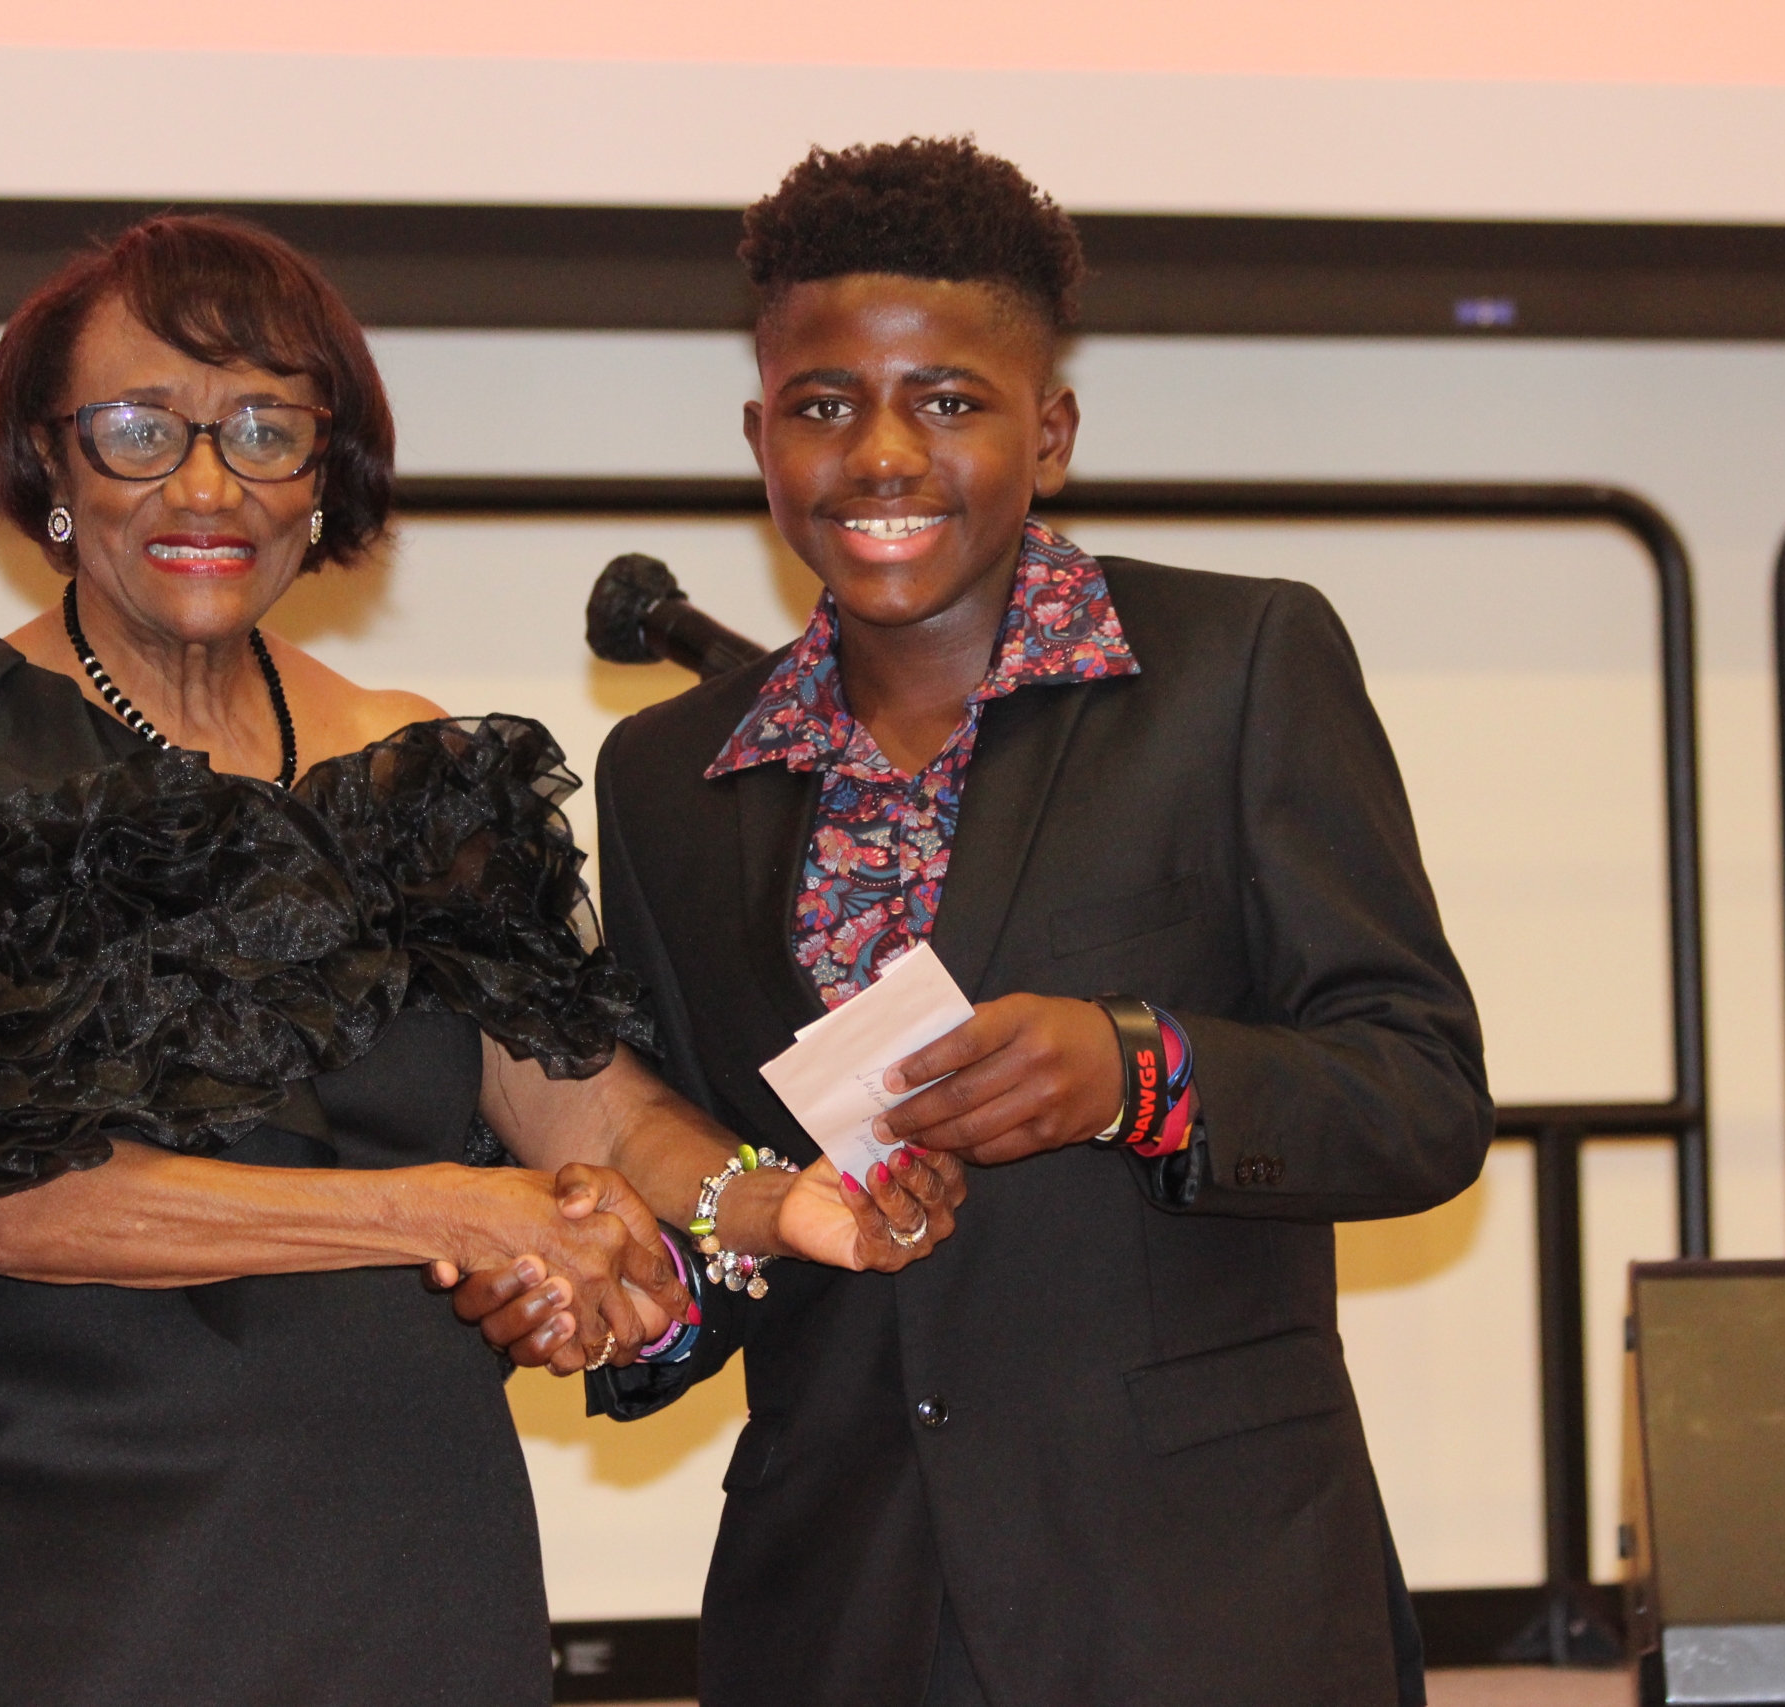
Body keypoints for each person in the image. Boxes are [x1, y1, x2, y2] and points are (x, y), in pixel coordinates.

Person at [0, 214, 964, 1707]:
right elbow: (15, 1204)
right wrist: (443, 1207)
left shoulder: (411, 764)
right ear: (50, 467)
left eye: (264, 430)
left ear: (322, 475)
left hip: (408, 1538)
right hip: (90, 1562)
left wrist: (794, 1209)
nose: (207, 484)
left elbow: (592, 1112)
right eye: (140, 429)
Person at [472, 140, 1492, 1705]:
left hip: (1202, 1601)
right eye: (824, 406)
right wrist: (621, 1294)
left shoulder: (1237, 668)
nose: (883, 452)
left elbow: (1419, 1096)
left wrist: (1137, 1071)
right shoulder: (669, 775)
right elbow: (708, 1177)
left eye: (949, 401)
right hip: (839, 1606)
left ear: (1051, 431)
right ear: (760, 438)